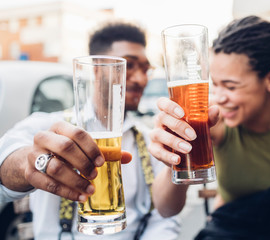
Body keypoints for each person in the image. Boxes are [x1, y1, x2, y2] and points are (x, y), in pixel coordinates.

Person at [149, 16, 270, 239]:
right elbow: (165, 208)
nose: (218, 97)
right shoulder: (214, 122)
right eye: (215, 84)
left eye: (230, 86)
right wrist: (175, 157)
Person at [0, 22, 180, 240]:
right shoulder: (50, 125)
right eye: (128, 66)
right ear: (97, 69)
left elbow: (164, 219)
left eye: (145, 69)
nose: (141, 79)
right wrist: (29, 164)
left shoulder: (148, 137)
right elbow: (7, 155)